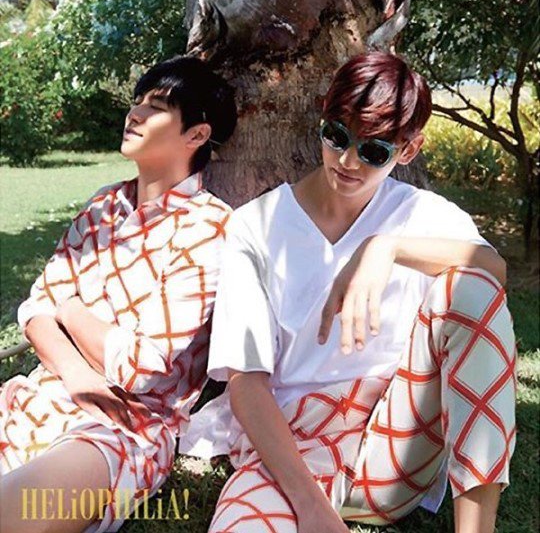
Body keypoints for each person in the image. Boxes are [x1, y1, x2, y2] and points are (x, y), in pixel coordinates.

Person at [195, 52, 516, 533]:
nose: (347, 161)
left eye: (374, 151)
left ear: (408, 150)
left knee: (469, 287)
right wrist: (311, 507)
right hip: (289, 452)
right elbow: (246, 381)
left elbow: (493, 271)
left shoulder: (421, 214)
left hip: (394, 448)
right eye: (337, 136)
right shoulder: (255, 227)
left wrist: (387, 248)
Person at [0, 55, 237, 533]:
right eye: (137, 101)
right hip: (43, 391)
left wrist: (68, 308)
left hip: (125, 426)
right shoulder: (103, 206)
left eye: (157, 107)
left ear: (196, 135)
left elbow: (141, 367)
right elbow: (35, 310)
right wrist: (73, 371)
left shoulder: (209, 228)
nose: (135, 113)